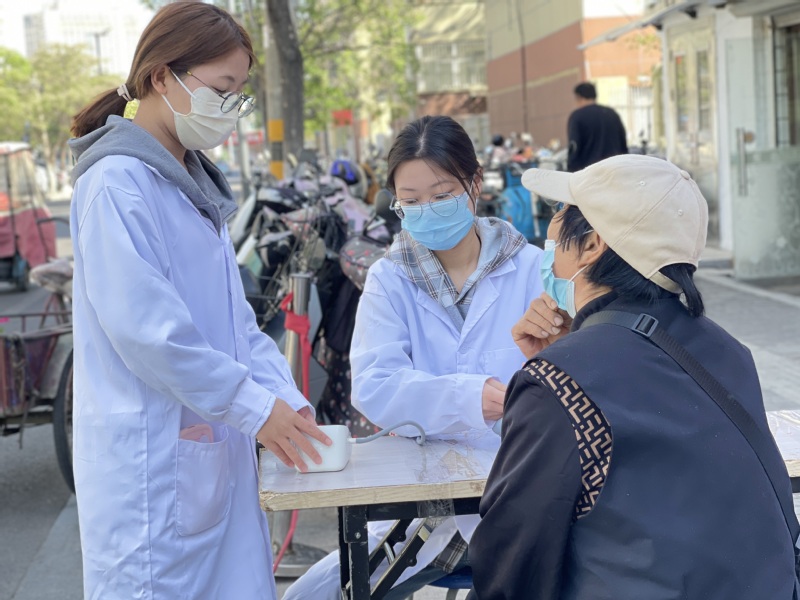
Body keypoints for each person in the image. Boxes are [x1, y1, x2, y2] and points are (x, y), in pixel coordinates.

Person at [67, 3, 330, 598]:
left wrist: (287, 405)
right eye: (221, 89)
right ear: (163, 77)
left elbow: (235, 328)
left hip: (206, 455)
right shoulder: (117, 183)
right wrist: (254, 408)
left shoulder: (188, 185)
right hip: (153, 472)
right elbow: (149, 334)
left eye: (238, 94)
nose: (230, 108)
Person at [466, 154, 799, 599]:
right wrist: (570, 351)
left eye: (561, 211)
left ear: (591, 244)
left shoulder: (561, 382)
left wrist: (558, 368)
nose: (551, 229)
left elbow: (510, 563)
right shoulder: (728, 351)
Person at [283, 115, 544, 599]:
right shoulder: (390, 279)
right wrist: (473, 398)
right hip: (423, 496)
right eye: (412, 201)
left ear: (475, 183)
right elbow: (376, 384)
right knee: (312, 594)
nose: (428, 210)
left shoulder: (533, 269)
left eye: (442, 195)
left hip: (522, 488)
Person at [566, 82, 627, 173]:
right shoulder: (612, 114)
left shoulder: (577, 116)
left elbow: (574, 146)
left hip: (590, 173)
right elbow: (623, 143)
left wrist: (571, 170)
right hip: (614, 171)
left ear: (578, 97)